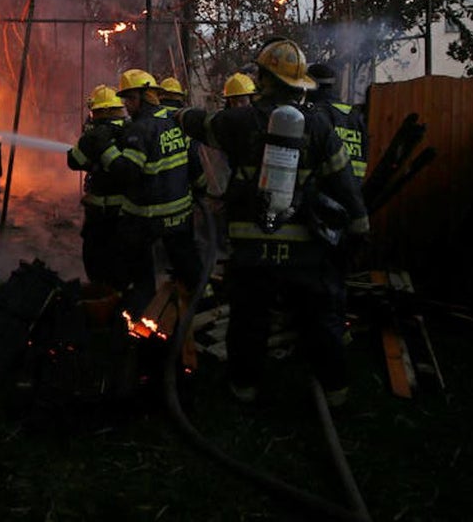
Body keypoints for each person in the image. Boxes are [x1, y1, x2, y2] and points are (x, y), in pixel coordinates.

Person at [175, 39, 369, 407]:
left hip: (253, 248)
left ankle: (244, 388)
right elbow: (342, 180)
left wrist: (177, 114)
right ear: (299, 83)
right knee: (320, 319)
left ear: (263, 78)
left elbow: (202, 124)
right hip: (306, 248)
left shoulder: (240, 120)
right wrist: (360, 224)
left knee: (249, 321)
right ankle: (336, 391)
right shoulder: (319, 124)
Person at [87, 69, 202, 316]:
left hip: (146, 217)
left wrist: (105, 148)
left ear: (144, 95)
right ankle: (202, 304)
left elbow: (126, 172)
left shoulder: (140, 129)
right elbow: (193, 163)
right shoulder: (174, 119)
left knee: (135, 266)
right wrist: (201, 191)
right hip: (180, 214)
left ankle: (138, 313)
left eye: (130, 98)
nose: (126, 105)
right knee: (187, 263)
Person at [66, 84, 129, 288]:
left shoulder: (94, 136)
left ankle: (104, 299)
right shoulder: (133, 128)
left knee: (97, 262)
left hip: (99, 215)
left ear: (102, 111)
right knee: (124, 260)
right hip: (128, 213)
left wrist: (87, 139)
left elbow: (74, 161)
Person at [306, 62, 368, 182]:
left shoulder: (316, 115)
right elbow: (365, 151)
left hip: (325, 188)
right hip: (355, 188)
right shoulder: (355, 116)